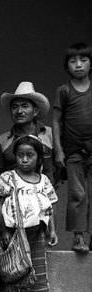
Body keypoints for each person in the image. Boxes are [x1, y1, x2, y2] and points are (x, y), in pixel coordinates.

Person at [0, 135, 59, 292]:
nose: (24, 159)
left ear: (38, 158)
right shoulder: (8, 178)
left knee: (37, 274)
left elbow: (49, 208)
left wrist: (52, 230)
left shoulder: (44, 181)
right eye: (20, 155)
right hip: (13, 233)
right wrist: (4, 229)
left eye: (29, 155)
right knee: (13, 272)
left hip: (37, 232)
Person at [52, 42, 92, 253]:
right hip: (73, 149)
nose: (78, 65)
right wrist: (58, 150)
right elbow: (56, 121)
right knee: (78, 193)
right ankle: (78, 237)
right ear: (67, 66)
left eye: (84, 60)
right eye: (73, 61)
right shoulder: (64, 91)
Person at [0, 82, 54, 182]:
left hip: (46, 194)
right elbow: (2, 173)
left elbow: (60, 165)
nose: (19, 111)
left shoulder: (50, 135)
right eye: (15, 107)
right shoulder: (2, 140)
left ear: (35, 111)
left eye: (25, 106)